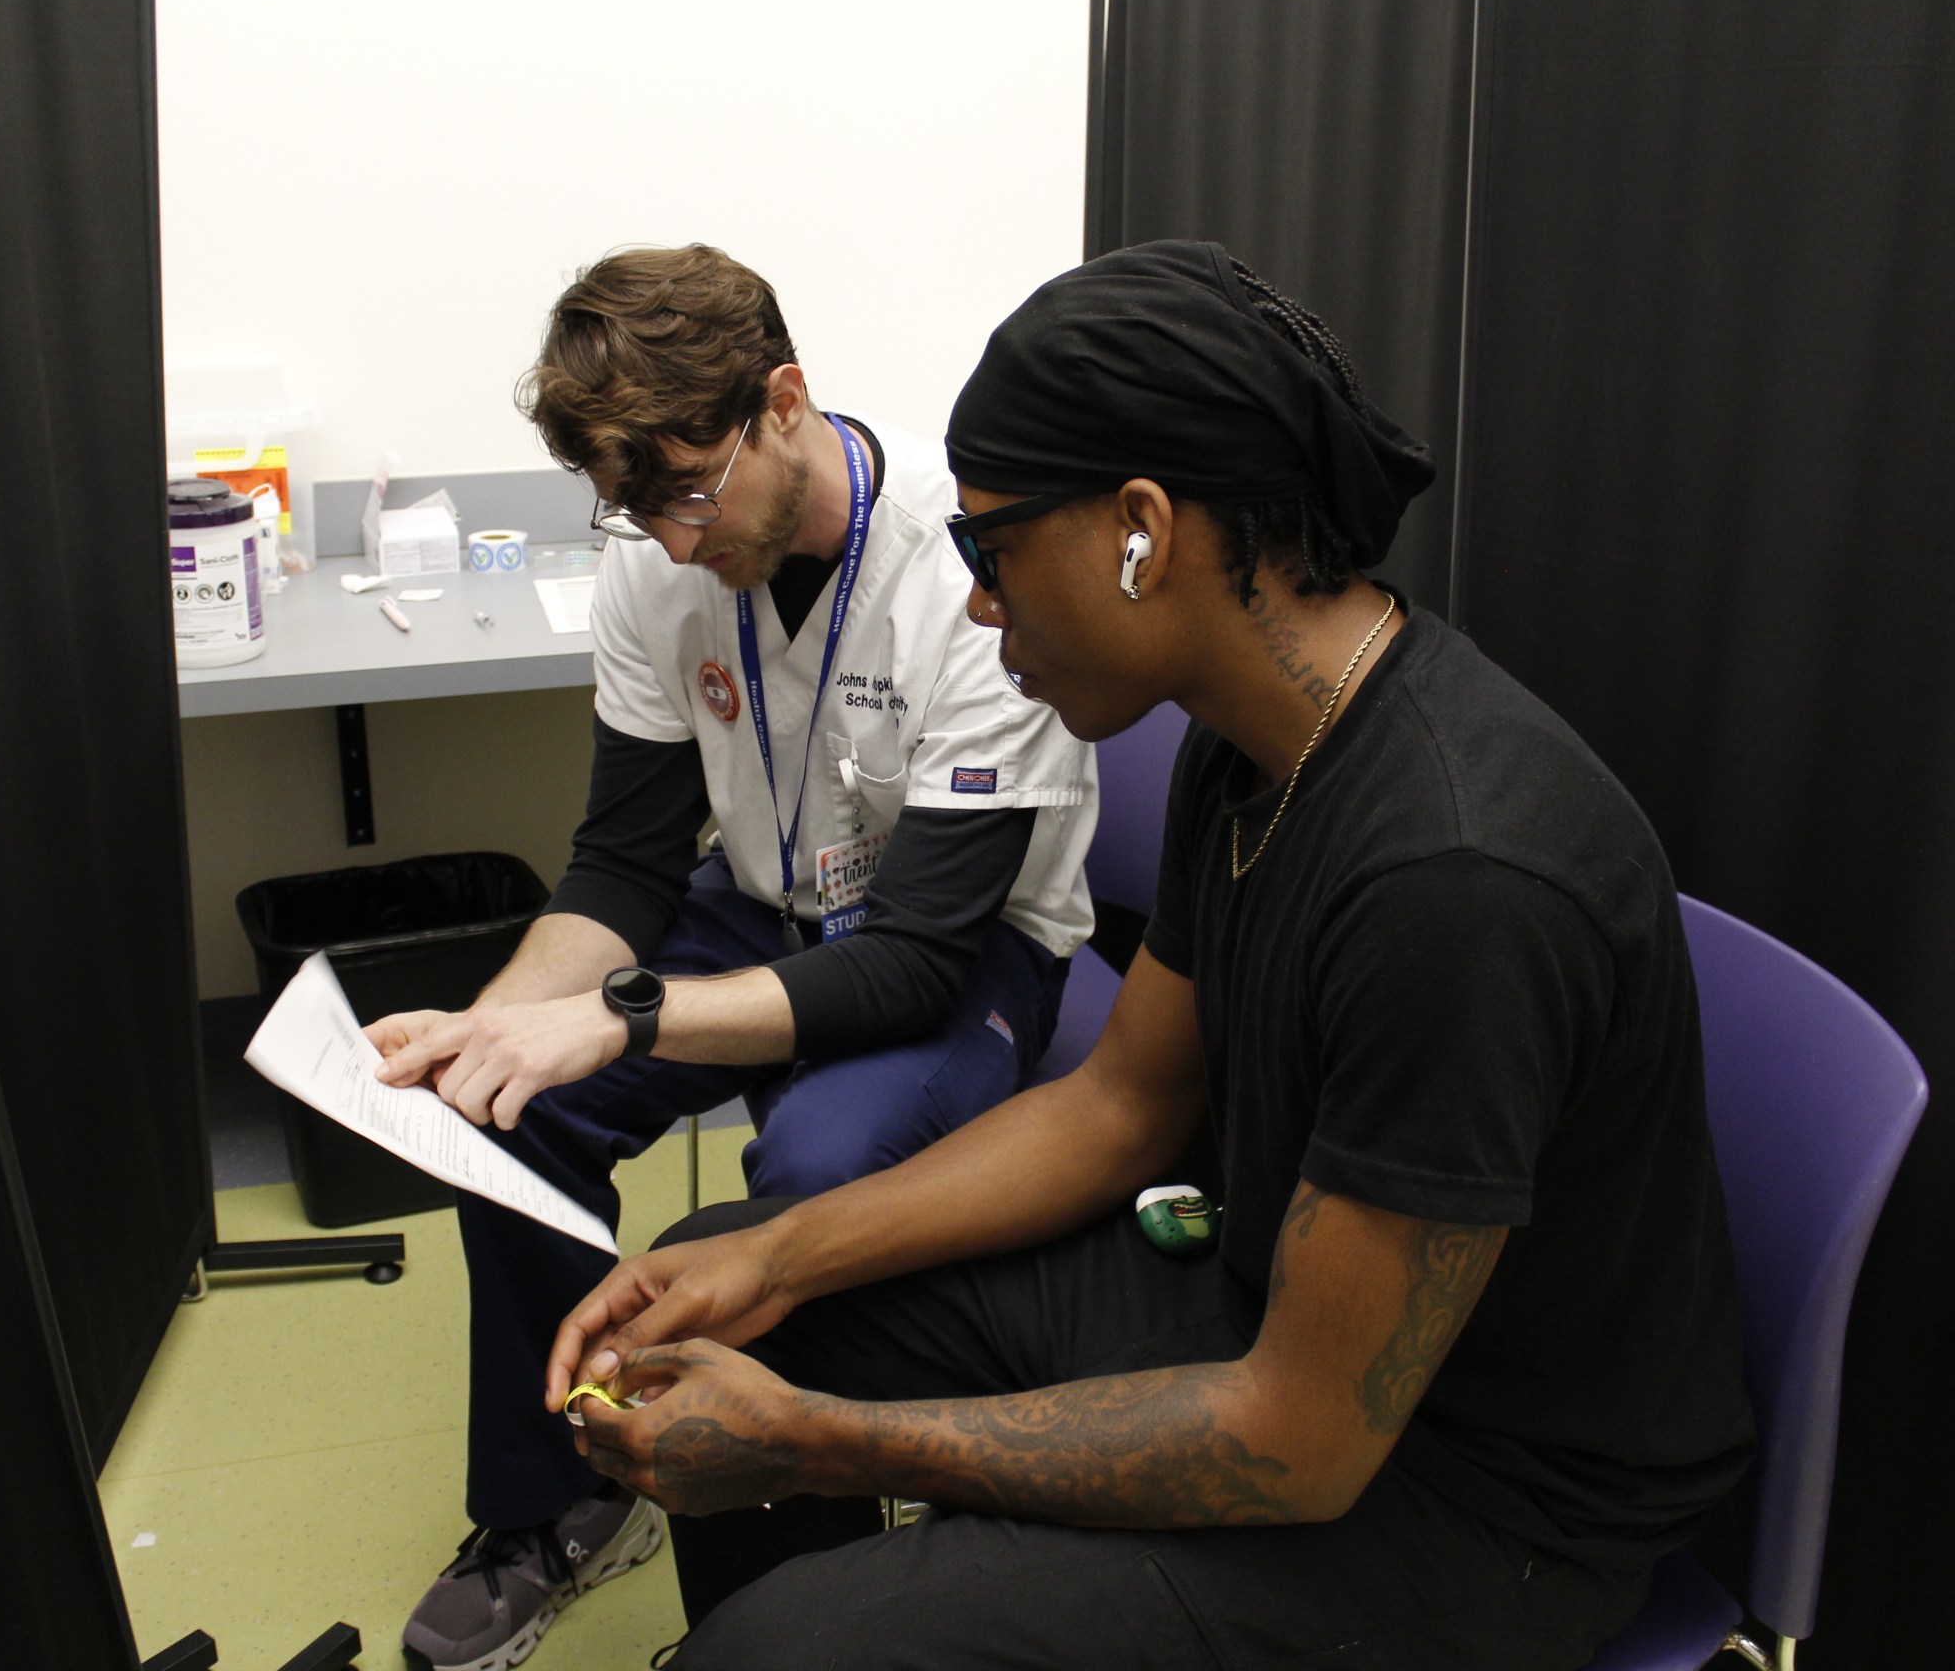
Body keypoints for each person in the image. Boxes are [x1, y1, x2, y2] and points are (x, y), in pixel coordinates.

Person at [545, 241, 1756, 1670]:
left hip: (1475, 1503)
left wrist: (816, 1448)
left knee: (790, 1641)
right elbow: (1124, 1107)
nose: (979, 608)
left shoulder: (1454, 880)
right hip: (1267, 1316)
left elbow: (1300, 1447)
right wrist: (781, 1256)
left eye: (995, 556)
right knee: (723, 1280)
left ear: (1141, 529)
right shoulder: (1251, 749)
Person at [368, 244, 1098, 1671]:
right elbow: (625, 867)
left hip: (954, 947)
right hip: (756, 903)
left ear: (784, 402)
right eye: (628, 507)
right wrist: (497, 1023)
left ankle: (802, 1593)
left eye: (688, 489)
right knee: (507, 1113)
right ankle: (557, 1498)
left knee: (816, 1168)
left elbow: (908, 972)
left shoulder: (965, 585)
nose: (672, 539)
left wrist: (622, 1019)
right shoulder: (658, 558)